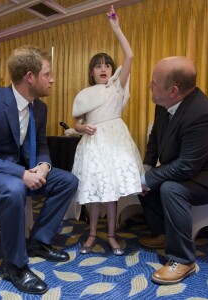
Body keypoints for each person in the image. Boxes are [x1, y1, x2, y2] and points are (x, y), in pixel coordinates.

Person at [0, 45, 78, 294]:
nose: (52, 79)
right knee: (13, 187)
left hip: (18, 172)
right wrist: (21, 174)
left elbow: (41, 146)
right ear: (30, 77)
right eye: (47, 73)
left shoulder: (39, 108)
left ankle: (39, 241)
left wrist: (43, 166)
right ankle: (16, 266)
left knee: (68, 181)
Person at [139, 56, 208, 285]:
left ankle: (183, 260)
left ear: (174, 90)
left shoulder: (203, 114)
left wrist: (147, 178)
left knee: (170, 188)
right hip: (190, 168)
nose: (149, 86)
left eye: (154, 82)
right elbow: (155, 138)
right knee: (143, 178)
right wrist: (145, 169)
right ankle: (161, 234)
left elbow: (186, 166)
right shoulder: (162, 103)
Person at [71, 5, 144, 256]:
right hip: (93, 144)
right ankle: (92, 235)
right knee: (92, 192)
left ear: (113, 70)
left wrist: (116, 28)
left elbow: (131, 56)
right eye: (98, 66)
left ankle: (111, 236)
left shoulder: (116, 87)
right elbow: (76, 124)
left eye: (107, 66)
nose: (103, 69)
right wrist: (83, 127)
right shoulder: (84, 95)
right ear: (91, 72)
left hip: (114, 142)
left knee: (111, 193)